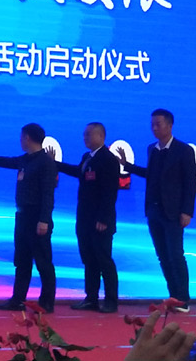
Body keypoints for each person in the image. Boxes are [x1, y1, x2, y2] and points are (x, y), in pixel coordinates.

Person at [123, 108, 196, 304]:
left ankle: (183, 299)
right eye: (152, 125)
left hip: (173, 212)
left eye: (158, 124)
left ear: (170, 125)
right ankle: (173, 296)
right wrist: (128, 166)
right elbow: (151, 175)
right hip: (153, 210)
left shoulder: (184, 150)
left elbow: (190, 183)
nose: (154, 128)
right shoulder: (152, 149)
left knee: (176, 255)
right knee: (163, 256)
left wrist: (187, 211)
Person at [0, 122, 58, 312]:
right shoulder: (25, 160)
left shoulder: (46, 162)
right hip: (22, 216)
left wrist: (44, 220)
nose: (20, 140)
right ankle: (17, 299)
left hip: (37, 217)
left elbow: (48, 194)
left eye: (22, 137)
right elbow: (5, 161)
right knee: (22, 260)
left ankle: (47, 302)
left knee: (43, 261)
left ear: (27, 138)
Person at [58, 122, 120, 312]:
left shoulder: (109, 159)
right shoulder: (87, 157)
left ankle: (111, 300)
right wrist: (56, 164)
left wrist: (103, 218)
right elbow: (79, 173)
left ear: (101, 136)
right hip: (84, 219)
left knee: (104, 260)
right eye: (84, 134)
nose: (85, 138)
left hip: (100, 221)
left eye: (89, 134)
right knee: (89, 259)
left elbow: (110, 192)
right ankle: (91, 298)